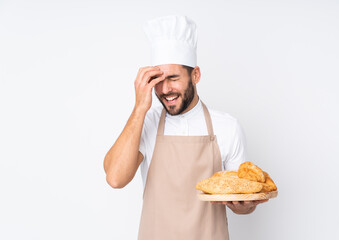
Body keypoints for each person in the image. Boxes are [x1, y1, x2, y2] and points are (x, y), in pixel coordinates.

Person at [103, 15, 268, 240]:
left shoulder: (227, 127)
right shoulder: (146, 122)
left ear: (196, 75)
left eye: (173, 78)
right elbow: (115, 178)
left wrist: (244, 206)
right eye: (158, 80)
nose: (165, 88)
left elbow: (244, 201)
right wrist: (140, 107)